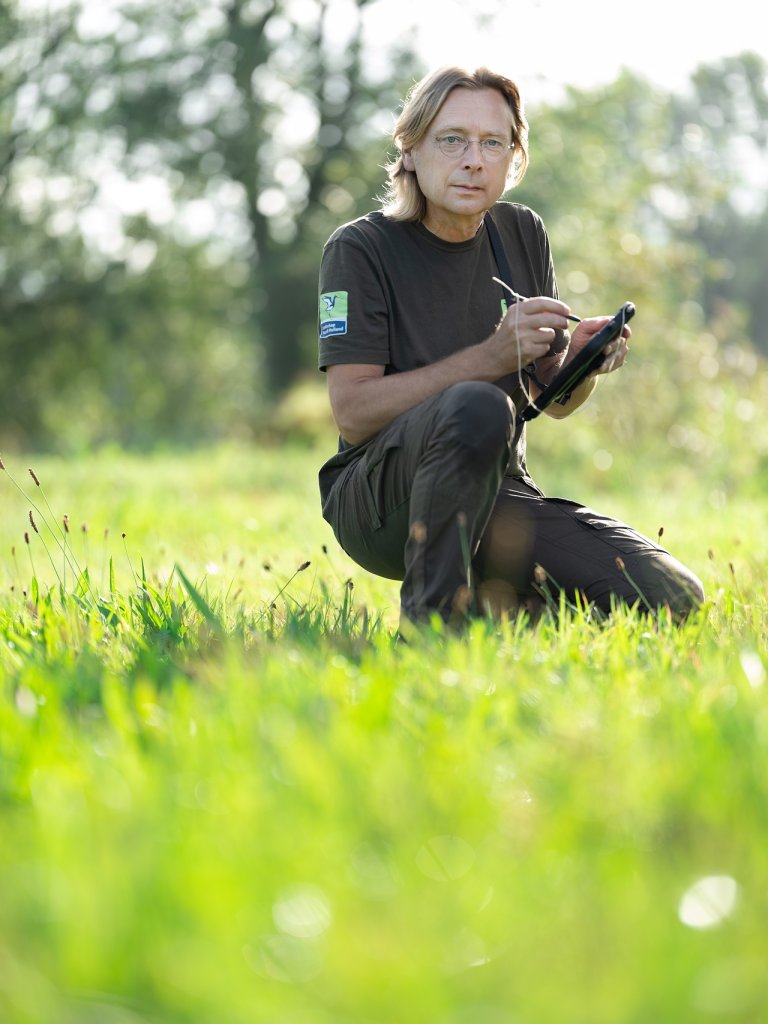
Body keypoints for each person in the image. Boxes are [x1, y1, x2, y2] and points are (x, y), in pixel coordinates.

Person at [316, 65, 704, 630]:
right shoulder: (360, 248)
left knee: (673, 597)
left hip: (501, 492)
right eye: (452, 139)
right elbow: (352, 413)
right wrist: (490, 358)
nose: (473, 159)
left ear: (513, 159)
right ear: (411, 151)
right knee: (477, 404)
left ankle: (500, 614)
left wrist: (583, 365)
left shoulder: (520, 233)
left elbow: (550, 399)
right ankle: (431, 631)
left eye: (492, 142)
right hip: (378, 500)